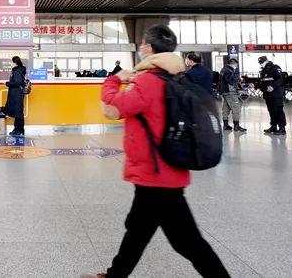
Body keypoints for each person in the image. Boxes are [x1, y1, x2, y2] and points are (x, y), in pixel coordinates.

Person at [90, 25, 229, 278]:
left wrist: (113, 79)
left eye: (142, 44)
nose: (141, 47)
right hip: (167, 169)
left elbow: (112, 108)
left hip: (155, 173)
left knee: (184, 241)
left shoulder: (147, 81)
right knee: (139, 231)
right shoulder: (176, 77)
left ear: (149, 48)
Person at [259, 56, 286, 135]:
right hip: (268, 95)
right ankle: (273, 127)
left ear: (266, 61)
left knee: (278, 111)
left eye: (262, 62)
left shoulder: (275, 68)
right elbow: (262, 82)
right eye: (260, 63)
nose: (261, 64)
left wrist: (273, 86)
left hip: (276, 94)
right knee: (271, 111)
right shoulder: (263, 71)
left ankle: (282, 128)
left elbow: (280, 79)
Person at [218, 58, 246, 133]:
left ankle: (225, 125)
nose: (236, 67)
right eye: (236, 65)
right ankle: (236, 126)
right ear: (233, 64)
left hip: (224, 92)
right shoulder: (229, 70)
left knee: (225, 109)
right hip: (230, 92)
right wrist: (239, 79)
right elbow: (231, 81)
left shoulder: (223, 69)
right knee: (236, 108)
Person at [4, 56, 27, 136]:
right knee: (17, 112)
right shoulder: (18, 70)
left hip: (17, 94)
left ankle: (20, 130)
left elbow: (17, 83)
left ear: (15, 63)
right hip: (17, 94)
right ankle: (17, 129)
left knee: (18, 112)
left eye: (11, 62)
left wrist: (7, 83)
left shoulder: (17, 71)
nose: (10, 64)